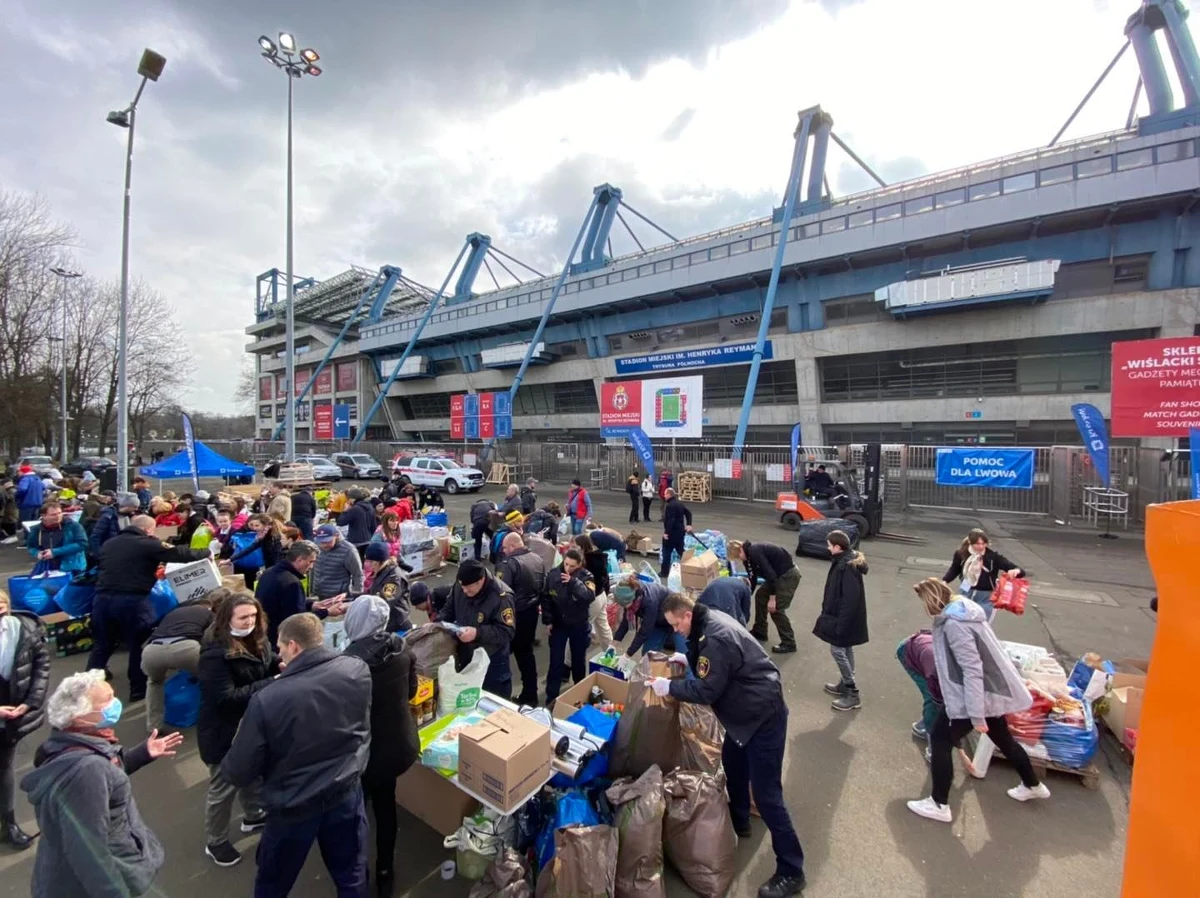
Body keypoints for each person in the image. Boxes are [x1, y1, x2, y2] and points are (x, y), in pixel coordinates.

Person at [652, 593, 806, 898]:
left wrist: (670, 686)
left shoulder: (715, 638)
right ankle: (739, 818)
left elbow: (707, 690)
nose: (675, 631)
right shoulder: (706, 622)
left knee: (768, 795)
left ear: (686, 615)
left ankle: (792, 869)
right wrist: (687, 659)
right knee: (732, 762)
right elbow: (711, 665)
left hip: (762, 717)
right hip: (744, 715)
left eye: (676, 625)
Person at [220, 613, 372, 898]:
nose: (279, 653)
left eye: (280, 647)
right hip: (345, 792)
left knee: (273, 884)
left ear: (294, 646)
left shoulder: (267, 699)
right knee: (351, 875)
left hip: (293, 805)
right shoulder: (356, 669)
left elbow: (239, 770)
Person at [21, 669, 184, 898]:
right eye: (107, 700)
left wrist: (142, 754)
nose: (115, 703)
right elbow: (88, 852)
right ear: (80, 717)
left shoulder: (68, 743)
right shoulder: (87, 771)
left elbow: (106, 776)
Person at [906, 578, 1049, 823]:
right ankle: (1032, 784)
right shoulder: (966, 613)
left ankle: (939, 804)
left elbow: (972, 669)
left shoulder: (954, 625)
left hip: (971, 698)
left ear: (931, 601)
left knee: (940, 740)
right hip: (987, 694)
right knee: (1003, 739)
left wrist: (976, 714)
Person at [342, 596, 419, 896]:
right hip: (396, 744)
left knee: (355, 814)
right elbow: (411, 691)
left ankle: (356, 874)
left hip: (361, 753)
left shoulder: (347, 664)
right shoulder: (401, 648)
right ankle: (385, 871)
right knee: (386, 807)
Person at [91, 515, 211, 702]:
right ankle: (137, 690)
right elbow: (179, 553)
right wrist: (206, 552)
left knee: (102, 644)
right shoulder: (147, 543)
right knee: (138, 644)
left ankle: (88, 690)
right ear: (148, 529)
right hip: (132, 600)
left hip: (102, 599)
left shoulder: (109, 543)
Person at [197, 592, 274, 866]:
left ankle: (253, 816)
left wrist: (280, 663)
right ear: (226, 618)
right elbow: (224, 698)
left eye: (253, 616)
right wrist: (272, 682)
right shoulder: (214, 654)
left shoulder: (258, 639)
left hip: (250, 725)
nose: (249, 622)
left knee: (253, 773)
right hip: (223, 733)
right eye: (243, 617)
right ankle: (216, 842)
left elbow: (265, 662)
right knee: (223, 787)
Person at [0, 588, 49, 849]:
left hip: (10, 718)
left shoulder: (24, 628)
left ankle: (8, 825)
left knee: (4, 766)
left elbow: (41, 664)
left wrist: (30, 702)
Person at [141, 591, 218, 732]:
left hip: (152, 650)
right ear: (209, 606)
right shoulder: (208, 613)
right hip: (186, 648)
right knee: (210, 678)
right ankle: (214, 718)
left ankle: (153, 726)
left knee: (154, 683)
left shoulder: (172, 613)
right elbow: (212, 638)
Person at [440, 559, 517, 698]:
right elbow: (449, 608)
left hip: (491, 659)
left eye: (468, 588)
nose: (464, 591)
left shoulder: (501, 597)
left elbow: (507, 631)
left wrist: (477, 633)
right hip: (466, 653)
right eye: (462, 587)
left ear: (480, 580)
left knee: (493, 698)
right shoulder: (461, 585)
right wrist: (437, 623)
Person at [812, 530, 869, 711]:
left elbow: (850, 599)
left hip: (842, 618)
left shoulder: (846, 566)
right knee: (846, 648)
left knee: (837, 650)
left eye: (829, 545)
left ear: (837, 547)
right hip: (843, 616)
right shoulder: (844, 561)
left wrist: (842, 624)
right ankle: (845, 684)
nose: (827, 548)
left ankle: (852, 692)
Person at [494, 532, 547, 706]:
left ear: (512, 546)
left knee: (501, 654)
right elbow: (542, 586)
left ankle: (500, 694)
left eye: (504, 547)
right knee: (526, 654)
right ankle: (530, 693)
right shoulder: (537, 559)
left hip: (514, 615)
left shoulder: (508, 564)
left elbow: (500, 592)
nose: (503, 551)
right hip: (531, 612)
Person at [543, 548, 596, 703]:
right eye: (566, 564)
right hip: (559, 623)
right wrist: (548, 620)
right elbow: (546, 598)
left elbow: (589, 596)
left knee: (578, 660)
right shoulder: (553, 574)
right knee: (555, 661)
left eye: (572, 566)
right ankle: (551, 698)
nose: (568, 568)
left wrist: (573, 582)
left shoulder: (586, 576)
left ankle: (580, 693)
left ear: (579, 564)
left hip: (578, 623)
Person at [732, 539, 801, 654]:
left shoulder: (755, 552)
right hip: (776, 576)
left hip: (787, 575)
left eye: (737, 556)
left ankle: (789, 643)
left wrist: (772, 599)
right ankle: (760, 631)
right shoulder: (747, 558)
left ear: (740, 550)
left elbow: (771, 576)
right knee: (760, 596)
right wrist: (747, 596)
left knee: (776, 609)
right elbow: (752, 578)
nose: (739, 559)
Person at [942, 528, 1024, 622]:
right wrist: (945, 581)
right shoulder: (961, 554)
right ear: (970, 542)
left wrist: (1016, 571)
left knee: (982, 623)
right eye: (977, 544)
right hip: (966, 591)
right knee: (960, 621)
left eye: (983, 543)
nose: (981, 546)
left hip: (986, 596)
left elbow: (1018, 570)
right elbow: (954, 569)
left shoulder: (993, 557)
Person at [256, 540, 321, 648]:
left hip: (265, 636)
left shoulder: (269, 572)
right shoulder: (292, 583)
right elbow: (298, 620)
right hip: (281, 641)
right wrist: (326, 612)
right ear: (299, 560)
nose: (311, 566)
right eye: (311, 562)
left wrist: (311, 605)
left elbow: (281, 603)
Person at [612, 575, 674, 656]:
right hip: (657, 619)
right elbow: (625, 621)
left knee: (683, 653)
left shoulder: (649, 601)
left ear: (632, 598)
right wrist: (615, 642)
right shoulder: (631, 596)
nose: (624, 607)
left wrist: (628, 654)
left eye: (625, 604)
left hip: (673, 618)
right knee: (647, 654)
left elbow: (645, 631)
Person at [572, 532, 614, 646]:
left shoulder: (585, 563)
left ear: (581, 547)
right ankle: (610, 652)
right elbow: (606, 577)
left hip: (591, 600)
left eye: (575, 546)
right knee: (603, 627)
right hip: (601, 596)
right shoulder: (599, 558)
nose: (573, 549)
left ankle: (571, 656)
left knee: (578, 629)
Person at [363, 542, 412, 633]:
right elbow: (370, 592)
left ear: (379, 562)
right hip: (386, 623)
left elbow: (384, 602)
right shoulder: (381, 572)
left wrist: (363, 606)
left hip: (396, 625)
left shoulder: (394, 578)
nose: (369, 565)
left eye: (371, 562)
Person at [27, 501, 88, 573]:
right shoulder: (36, 529)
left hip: (72, 567)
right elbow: (31, 547)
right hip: (47, 568)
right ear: (43, 516)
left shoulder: (73, 526)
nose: (58, 516)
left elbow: (82, 544)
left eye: (60, 513)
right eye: (53, 515)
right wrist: (37, 553)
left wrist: (54, 552)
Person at [230, 513, 284, 591]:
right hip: (269, 568)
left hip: (275, 569)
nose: (254, 529)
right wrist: (231, 559)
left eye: (257, 526)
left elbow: (277, 557)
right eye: (252, 525)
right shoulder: (263, 536)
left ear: (266, 526)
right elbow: (250, 549)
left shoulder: (275, 537)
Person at [313, 523, 365, 601]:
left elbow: (358, 574)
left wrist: (356, 595)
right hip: (318, 595)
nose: (324, 545)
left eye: (328, 541)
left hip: (338, 598)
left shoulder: (348, 550)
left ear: (336, 536)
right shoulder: (316, 547)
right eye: (321, 542)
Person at [89, 491, 140, 556]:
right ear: (127, 506)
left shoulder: (128, 517)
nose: (136, 509)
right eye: (134, 507)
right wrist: (98, 554)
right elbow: (96, 536)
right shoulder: (108, 516)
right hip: (108, 553)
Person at [659, 488, 693, 579]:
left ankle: (664, 572)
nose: (664, 496)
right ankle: (690, 566)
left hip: (672, 533)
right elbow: (688, 513)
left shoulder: (670, 506)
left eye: (665, 494)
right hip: (680, 532)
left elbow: (671, 520)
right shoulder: (680, 503)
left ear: (669, 494)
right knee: (681, 550)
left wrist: (666, 533)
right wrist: (689, 524)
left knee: (666, 552)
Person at [337, 490, 377, 560]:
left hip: (356, 541)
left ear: (352, 499)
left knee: (357, 562)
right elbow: (374, 526)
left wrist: (345, 511)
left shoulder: (355, 509)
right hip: (368, 539)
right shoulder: (370, 507)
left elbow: (341, 522)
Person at [470, 495, 496, 561]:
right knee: (493, 539)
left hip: (478, 523)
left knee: (478, 541)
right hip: (488, 523)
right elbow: (495, 514)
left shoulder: (474, 505)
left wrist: (474, 526)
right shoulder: (490, 504)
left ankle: (477, 559)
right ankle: (493, 557)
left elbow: (472, 518)